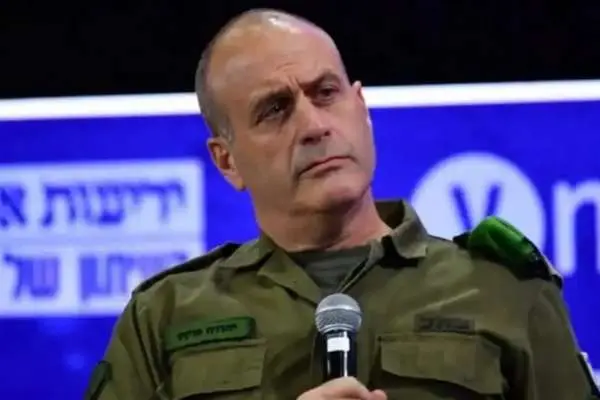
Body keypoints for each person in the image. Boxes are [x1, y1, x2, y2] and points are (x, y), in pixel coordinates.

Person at [85, 8, 598, 400]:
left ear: (362, 109)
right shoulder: (164, 315)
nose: (313, 125)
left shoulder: (504, 289)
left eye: (325, 93)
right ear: (227, 161)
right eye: (275, 109)